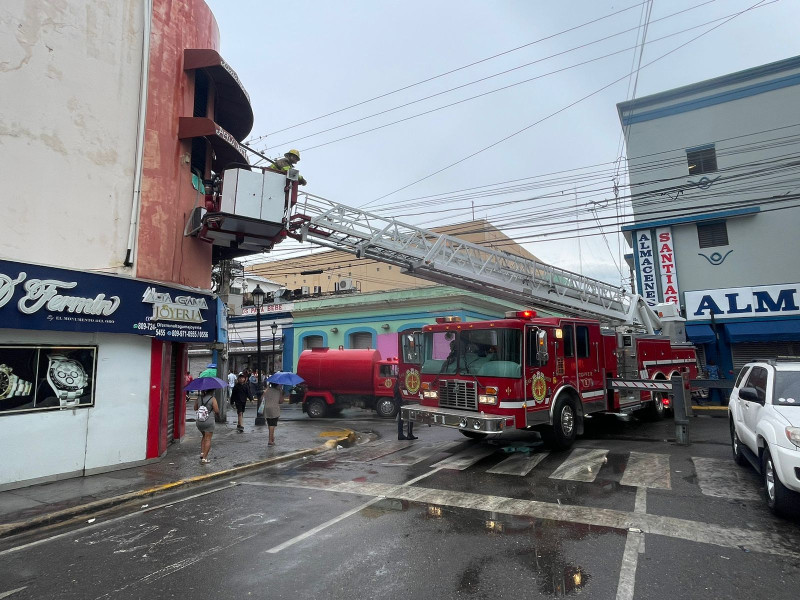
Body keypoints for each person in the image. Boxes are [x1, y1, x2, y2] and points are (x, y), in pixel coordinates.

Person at [194, 390, 219, 464]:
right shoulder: (212, 399)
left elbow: (195, 408)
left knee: (204, 436)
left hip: (199, 422)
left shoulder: (199, 398)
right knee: (208, 439)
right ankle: (204, 458)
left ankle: (202, 453)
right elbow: (216, 410)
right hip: (209, 421)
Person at [263, 382, 284, 446]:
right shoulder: (278, 391)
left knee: (270, 424)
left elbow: (262, 398)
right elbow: (281, 401)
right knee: (272, 425)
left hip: (266, 409)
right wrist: (282, 393)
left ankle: (272, 438)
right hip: (274, 409)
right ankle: (270, 440)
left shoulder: (267, 390)